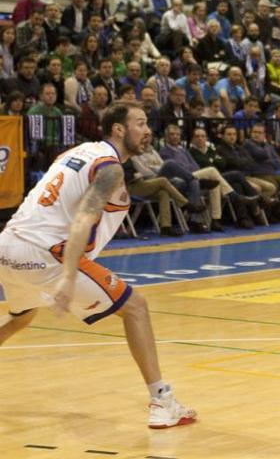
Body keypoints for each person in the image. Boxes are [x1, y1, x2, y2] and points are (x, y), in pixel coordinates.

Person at [0, 102, 197, 428]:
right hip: (46, 254)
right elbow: (83, 220)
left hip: (8, 247)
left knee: (22, 316)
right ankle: (162, 401)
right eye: (140, 123)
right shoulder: (110, 168)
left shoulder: (78, 152)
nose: (148, 130)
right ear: (118, 129)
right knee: (135, 306)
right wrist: (66, 276)